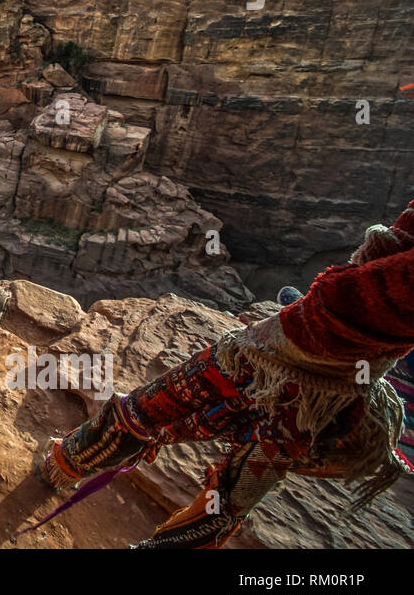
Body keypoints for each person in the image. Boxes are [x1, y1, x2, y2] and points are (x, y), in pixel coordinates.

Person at [38, 200, 414, 548]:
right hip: (327, 387)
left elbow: (361, 291)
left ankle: (63, 465)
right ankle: (66, 466)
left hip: (283, 350)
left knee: (150, 409)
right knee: (236, 490)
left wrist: (340, 289)